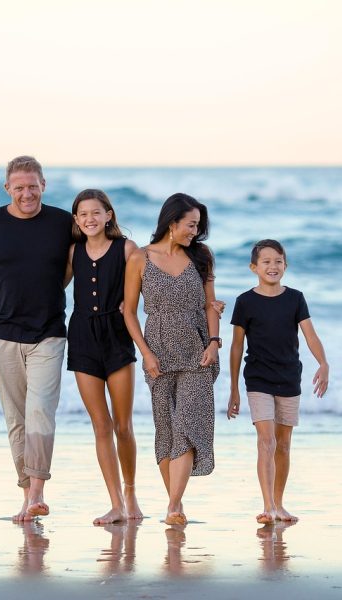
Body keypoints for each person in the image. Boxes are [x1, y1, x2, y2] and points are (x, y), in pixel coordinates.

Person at [0, 155, 72, 522]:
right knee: (16, 419)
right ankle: (27, 495)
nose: (27, 194)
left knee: (41, 412)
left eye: (33, 186)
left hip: (49, 333)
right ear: (7, 188)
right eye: (19, 187)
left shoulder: (61, 222)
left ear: (44, 185)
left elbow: (77, 262)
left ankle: (37, 492)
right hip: (1, 336)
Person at [123, 192, 220, 526]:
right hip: (158, 352)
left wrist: (215, 342)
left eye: (197, 226)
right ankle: (175, 507)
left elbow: (210, 304)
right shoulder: (139, 258)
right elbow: (129, 312)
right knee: (165, 430)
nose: (194, 231)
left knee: (188, 424)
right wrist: (145, 353)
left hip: (197, 350)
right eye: (190, 225)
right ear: (172, 221)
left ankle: (174, 506)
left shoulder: (202, 256)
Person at [227, 239, 329, 524]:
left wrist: (323, 363)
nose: (273, 266)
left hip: (289, 378)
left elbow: (310, 335)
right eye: (266, 262)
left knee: (283, 444)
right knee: (266, 441)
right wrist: (234, 387)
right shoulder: (245, 301)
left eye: (278, 261)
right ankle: (268, 505)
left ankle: (280, 504)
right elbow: (236, 347)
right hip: (258, 378)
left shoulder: (295, 298)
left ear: (286, 265)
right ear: (254, 267)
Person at [66, 189, 142, 525]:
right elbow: (51, 288)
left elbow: (147, 284)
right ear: (76, 220)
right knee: (101, 425)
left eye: (96, 213)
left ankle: (130, 492)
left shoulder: (127, 249)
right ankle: (115, 504)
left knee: (123, 426)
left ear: (109, 215)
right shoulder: (73, 252)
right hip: (82, 337)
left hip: (117, 337)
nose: (90, 219)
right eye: (83, 214)